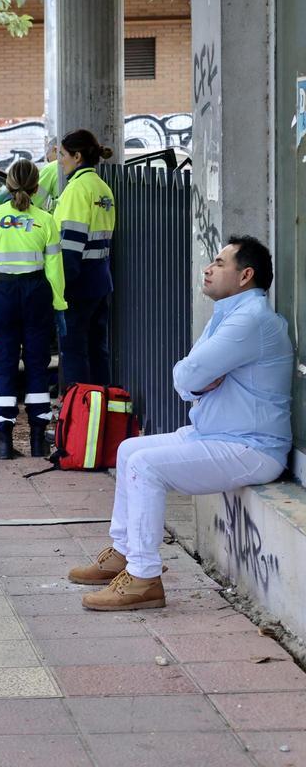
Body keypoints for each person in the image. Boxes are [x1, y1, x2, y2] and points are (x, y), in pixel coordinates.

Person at [71, 237, 290, 611]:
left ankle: (144, 578)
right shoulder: (229, 313)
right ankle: (124, 554)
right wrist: (195, 380)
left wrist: (195, 380)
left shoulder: (250, 320)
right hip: (218, 435)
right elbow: (188, 378)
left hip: (251, 447)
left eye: (220, 263)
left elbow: (189, 376)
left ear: (245, 275)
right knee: (128, 450)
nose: (208, 268)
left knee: (145, 465)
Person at [0, 160, 67, 460]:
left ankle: (2, 438)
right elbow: (55, 269)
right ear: (37, 188)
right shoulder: (46, 220)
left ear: (7, 186)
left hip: (1, 294)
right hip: (36, 293)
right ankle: (39, 439)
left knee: (5, 365)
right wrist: (59, 306)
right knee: (37, 365)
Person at [53, 129, 115, 387]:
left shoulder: (77, 189)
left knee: (74, 352)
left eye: (63, 154)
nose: (59, 160)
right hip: (100, 279)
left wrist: (60, 288)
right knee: (97, 350)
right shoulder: (102, 188)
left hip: (77, 284)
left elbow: (70, 245)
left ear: (77, 156)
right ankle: (101, 412)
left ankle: (80, 417)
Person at [35, 136, 61, 212]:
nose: (47, 157)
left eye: (48, 158)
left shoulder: (51, 168)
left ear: (55, 150)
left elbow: (34, 199)